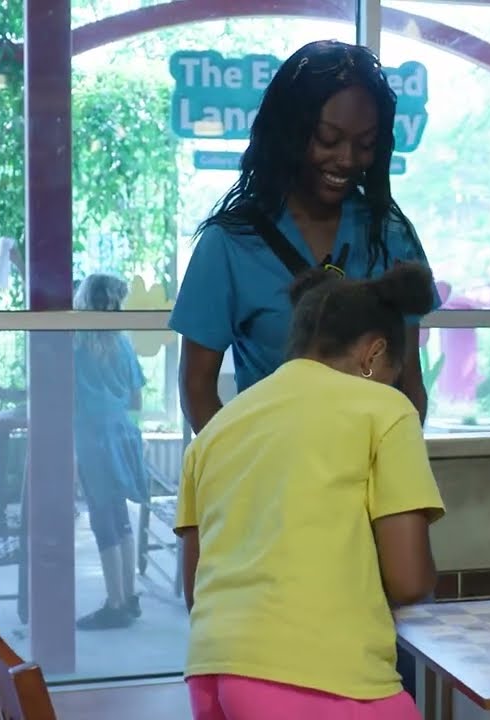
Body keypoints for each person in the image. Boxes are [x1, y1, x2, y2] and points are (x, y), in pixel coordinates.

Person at [173, 261, 444, 720]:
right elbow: (409, 579)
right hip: (322, 676)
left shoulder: (219, 429)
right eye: (394, 372)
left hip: (213, 672)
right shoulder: (385, 409)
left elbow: (196, 589)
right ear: (373, 356)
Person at [169, 39, 442, 436]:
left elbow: (410, 386)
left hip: (370, 483)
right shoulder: (230, 243)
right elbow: (197, 388)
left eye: (365, 144)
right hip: (273, 483)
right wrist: (240, 469)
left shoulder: (391, 236)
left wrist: (394, 467)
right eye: (328, 139)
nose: (347, 160)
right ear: (288, 133)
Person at [72, 273, 148, 630]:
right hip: (123, 431)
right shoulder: (124, 344)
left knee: (102, 518)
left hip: (93, 436)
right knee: (120, 515)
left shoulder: (76, 345)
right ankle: (129, 596)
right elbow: (136, 396)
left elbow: (65, 395)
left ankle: (114, 602)